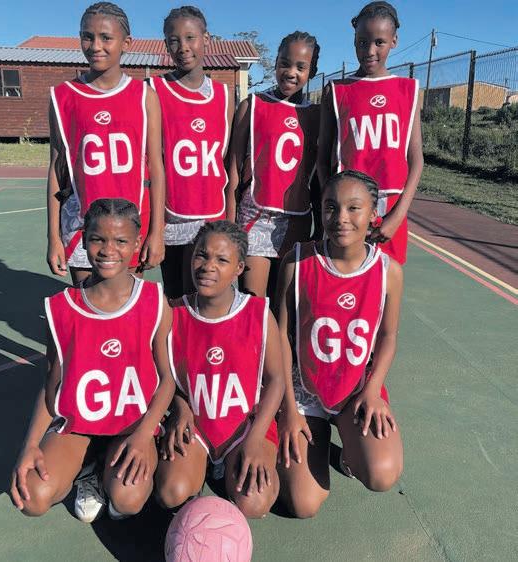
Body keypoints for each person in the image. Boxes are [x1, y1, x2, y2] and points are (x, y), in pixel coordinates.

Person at [11, 199, 175, 522]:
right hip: (81, 424)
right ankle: (88, 464)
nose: (108, 250)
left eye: (121, 241)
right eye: (98, 239)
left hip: (132, 425)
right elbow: (52, 384)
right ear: (84, 239)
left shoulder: (154, 301)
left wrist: (144, 434)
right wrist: (29, 445)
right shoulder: (61, 307)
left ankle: (105, 470)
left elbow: (167, 379)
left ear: (136, 244)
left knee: (127, 499)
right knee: (32, 496)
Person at [276, 171, 404, 518]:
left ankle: (351, 447)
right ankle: (313, 435)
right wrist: (288, 408)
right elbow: (281, 337)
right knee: (304, 504)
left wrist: (374, 389)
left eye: (353, 208)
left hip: (355, 388)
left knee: (382, 474)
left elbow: (388, 337)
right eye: (331, 207)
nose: (341, 218)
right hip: (305, 388)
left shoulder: (388, 271)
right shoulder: (297, 261)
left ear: (373, 213)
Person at [155, 221, 285, 519]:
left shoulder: (258, 313)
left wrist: (256, 437)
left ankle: (240, 463)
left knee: (254, 503)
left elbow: (276, 380)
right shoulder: (173, 313)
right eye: (201, 255)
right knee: (170, 493)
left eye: (222, 259)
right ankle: (201, 466)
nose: (207, 266)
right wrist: (180, 407)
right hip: (196, 424)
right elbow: (165, 377)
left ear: (239, 268)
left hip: (244, 425)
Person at [47, 2, 165, 284]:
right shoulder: (63, 96)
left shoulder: (144, 95)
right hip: (81, 224)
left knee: (127, 304)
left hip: (130, 222)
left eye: (106, 37)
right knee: (88, 302)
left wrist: (156, 232)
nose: (95, 46)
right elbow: (56, 169)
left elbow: (156, 167)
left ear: (126, 43)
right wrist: (53, 237)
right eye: (87, 37)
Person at [317, 1, 423, 265]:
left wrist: (398, 215)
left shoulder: (408, 91)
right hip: (347, 206)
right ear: (354, 40)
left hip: (391, 206)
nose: (370, 51)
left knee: (387, 279)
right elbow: (322, 158)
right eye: (362, 42)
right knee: (344, 277)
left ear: (394, 41)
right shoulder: (337, 90)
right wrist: (332, 205)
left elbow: (416, 160)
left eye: (379, 42)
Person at [227, 32, 321, 300]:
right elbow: (233, 171)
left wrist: (319, 229)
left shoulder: (317, 115)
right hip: (255, 218)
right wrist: (230, 225)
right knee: (253, 302)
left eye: (301, 67)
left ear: (312, 71)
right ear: (276, 63)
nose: (291, 72)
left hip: (296, 221)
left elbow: (318, 177)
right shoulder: (253, 105)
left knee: (285, 306)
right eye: (284, 64)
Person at [150, 6, 234, 299]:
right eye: (174, 40)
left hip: (213, 216)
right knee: (176, 297)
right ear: (166, 44)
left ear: (206, 39)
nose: (183, 47)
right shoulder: (154, 89)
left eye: (190, 38)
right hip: (173, 216)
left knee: (207, 297)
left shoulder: (224, 95)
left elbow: (228, 162)